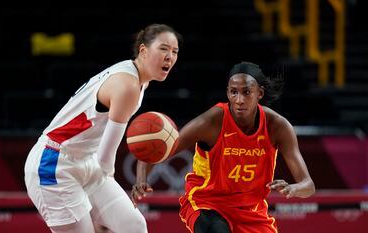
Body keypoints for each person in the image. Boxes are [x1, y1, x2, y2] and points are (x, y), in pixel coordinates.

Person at [24, 23, 182, 233]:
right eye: (163, 49)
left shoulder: (137, 79)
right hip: (53, 164)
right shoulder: (127, 85)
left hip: (86, 161)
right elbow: (106, 157)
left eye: (174, 52)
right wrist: (107, 181)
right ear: (143, 50)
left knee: (133, 226)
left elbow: (102, 158)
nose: (169, 56)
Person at [132, 61, 315, 233]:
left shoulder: (278, 126)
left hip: (252, 211)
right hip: (207, 203)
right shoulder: (212, 121)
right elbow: (159, 148)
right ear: (227, 93)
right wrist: (141, 177)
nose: (239, 99)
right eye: (233, 92)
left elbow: (308, 185)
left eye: (246, 92)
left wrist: (293, 189)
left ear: (259, 93)